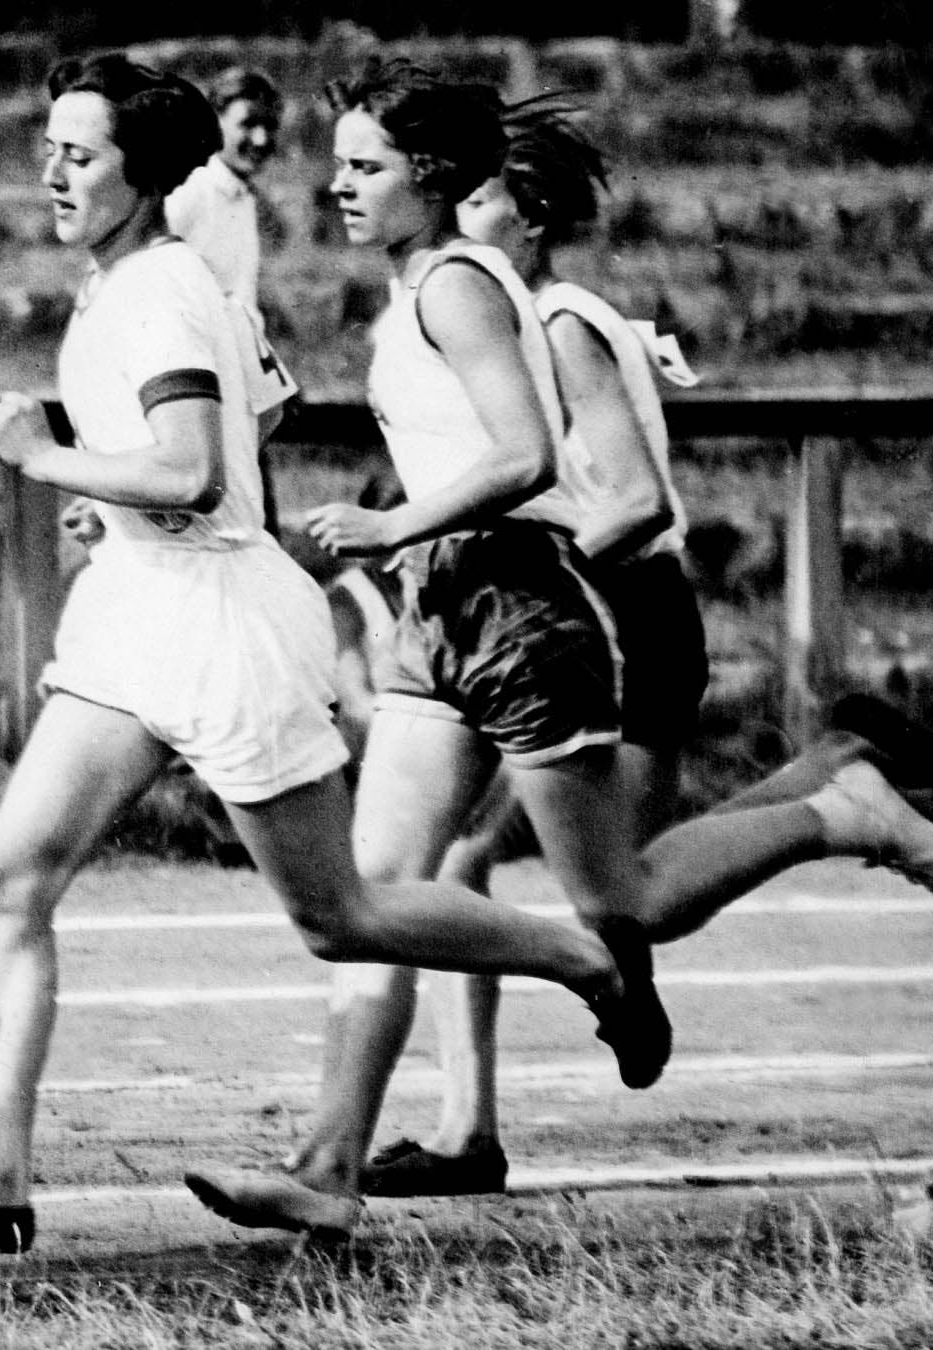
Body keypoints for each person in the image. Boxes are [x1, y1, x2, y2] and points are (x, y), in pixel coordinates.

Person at [0, 52, 663, 1257]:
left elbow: (194, 470)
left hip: (221, 625)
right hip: (142, 604)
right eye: (51, 149)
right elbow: (257, 412)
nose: (51, 171)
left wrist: (51, 458)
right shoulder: (148, 283)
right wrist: (117, 497)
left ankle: (581, 959)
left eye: (80, 154)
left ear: (144, 171)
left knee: (339, 916)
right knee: (11, 877)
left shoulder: (168, 289)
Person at [344, 102, 933, 1199]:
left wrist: (502, 537)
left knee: (627, 902)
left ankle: (840, 799)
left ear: (525, 216)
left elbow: (632, 501)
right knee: (471, 865)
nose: (463, 217)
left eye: (479, 197)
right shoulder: (485, 313)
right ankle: (465, 1129)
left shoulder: (563, 318)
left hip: (612, 606)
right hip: (547, 606)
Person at [179, 59, 681, 1244]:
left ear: (435, 176)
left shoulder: (458, 285)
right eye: (342, 162)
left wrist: (390, 522)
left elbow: (525, 458)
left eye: (366, 167)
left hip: (519, 614)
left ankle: (809, 831)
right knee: (361, 902)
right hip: (435, 617)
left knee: (625, 901)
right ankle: (328, 1168)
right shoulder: (416, 287)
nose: (338, 186)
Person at [164, 65, 281, 315]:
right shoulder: (189, 189)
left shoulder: (242, 194)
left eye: (269, 125)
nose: (261, 139)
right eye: (248, 124)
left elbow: (241, 302)